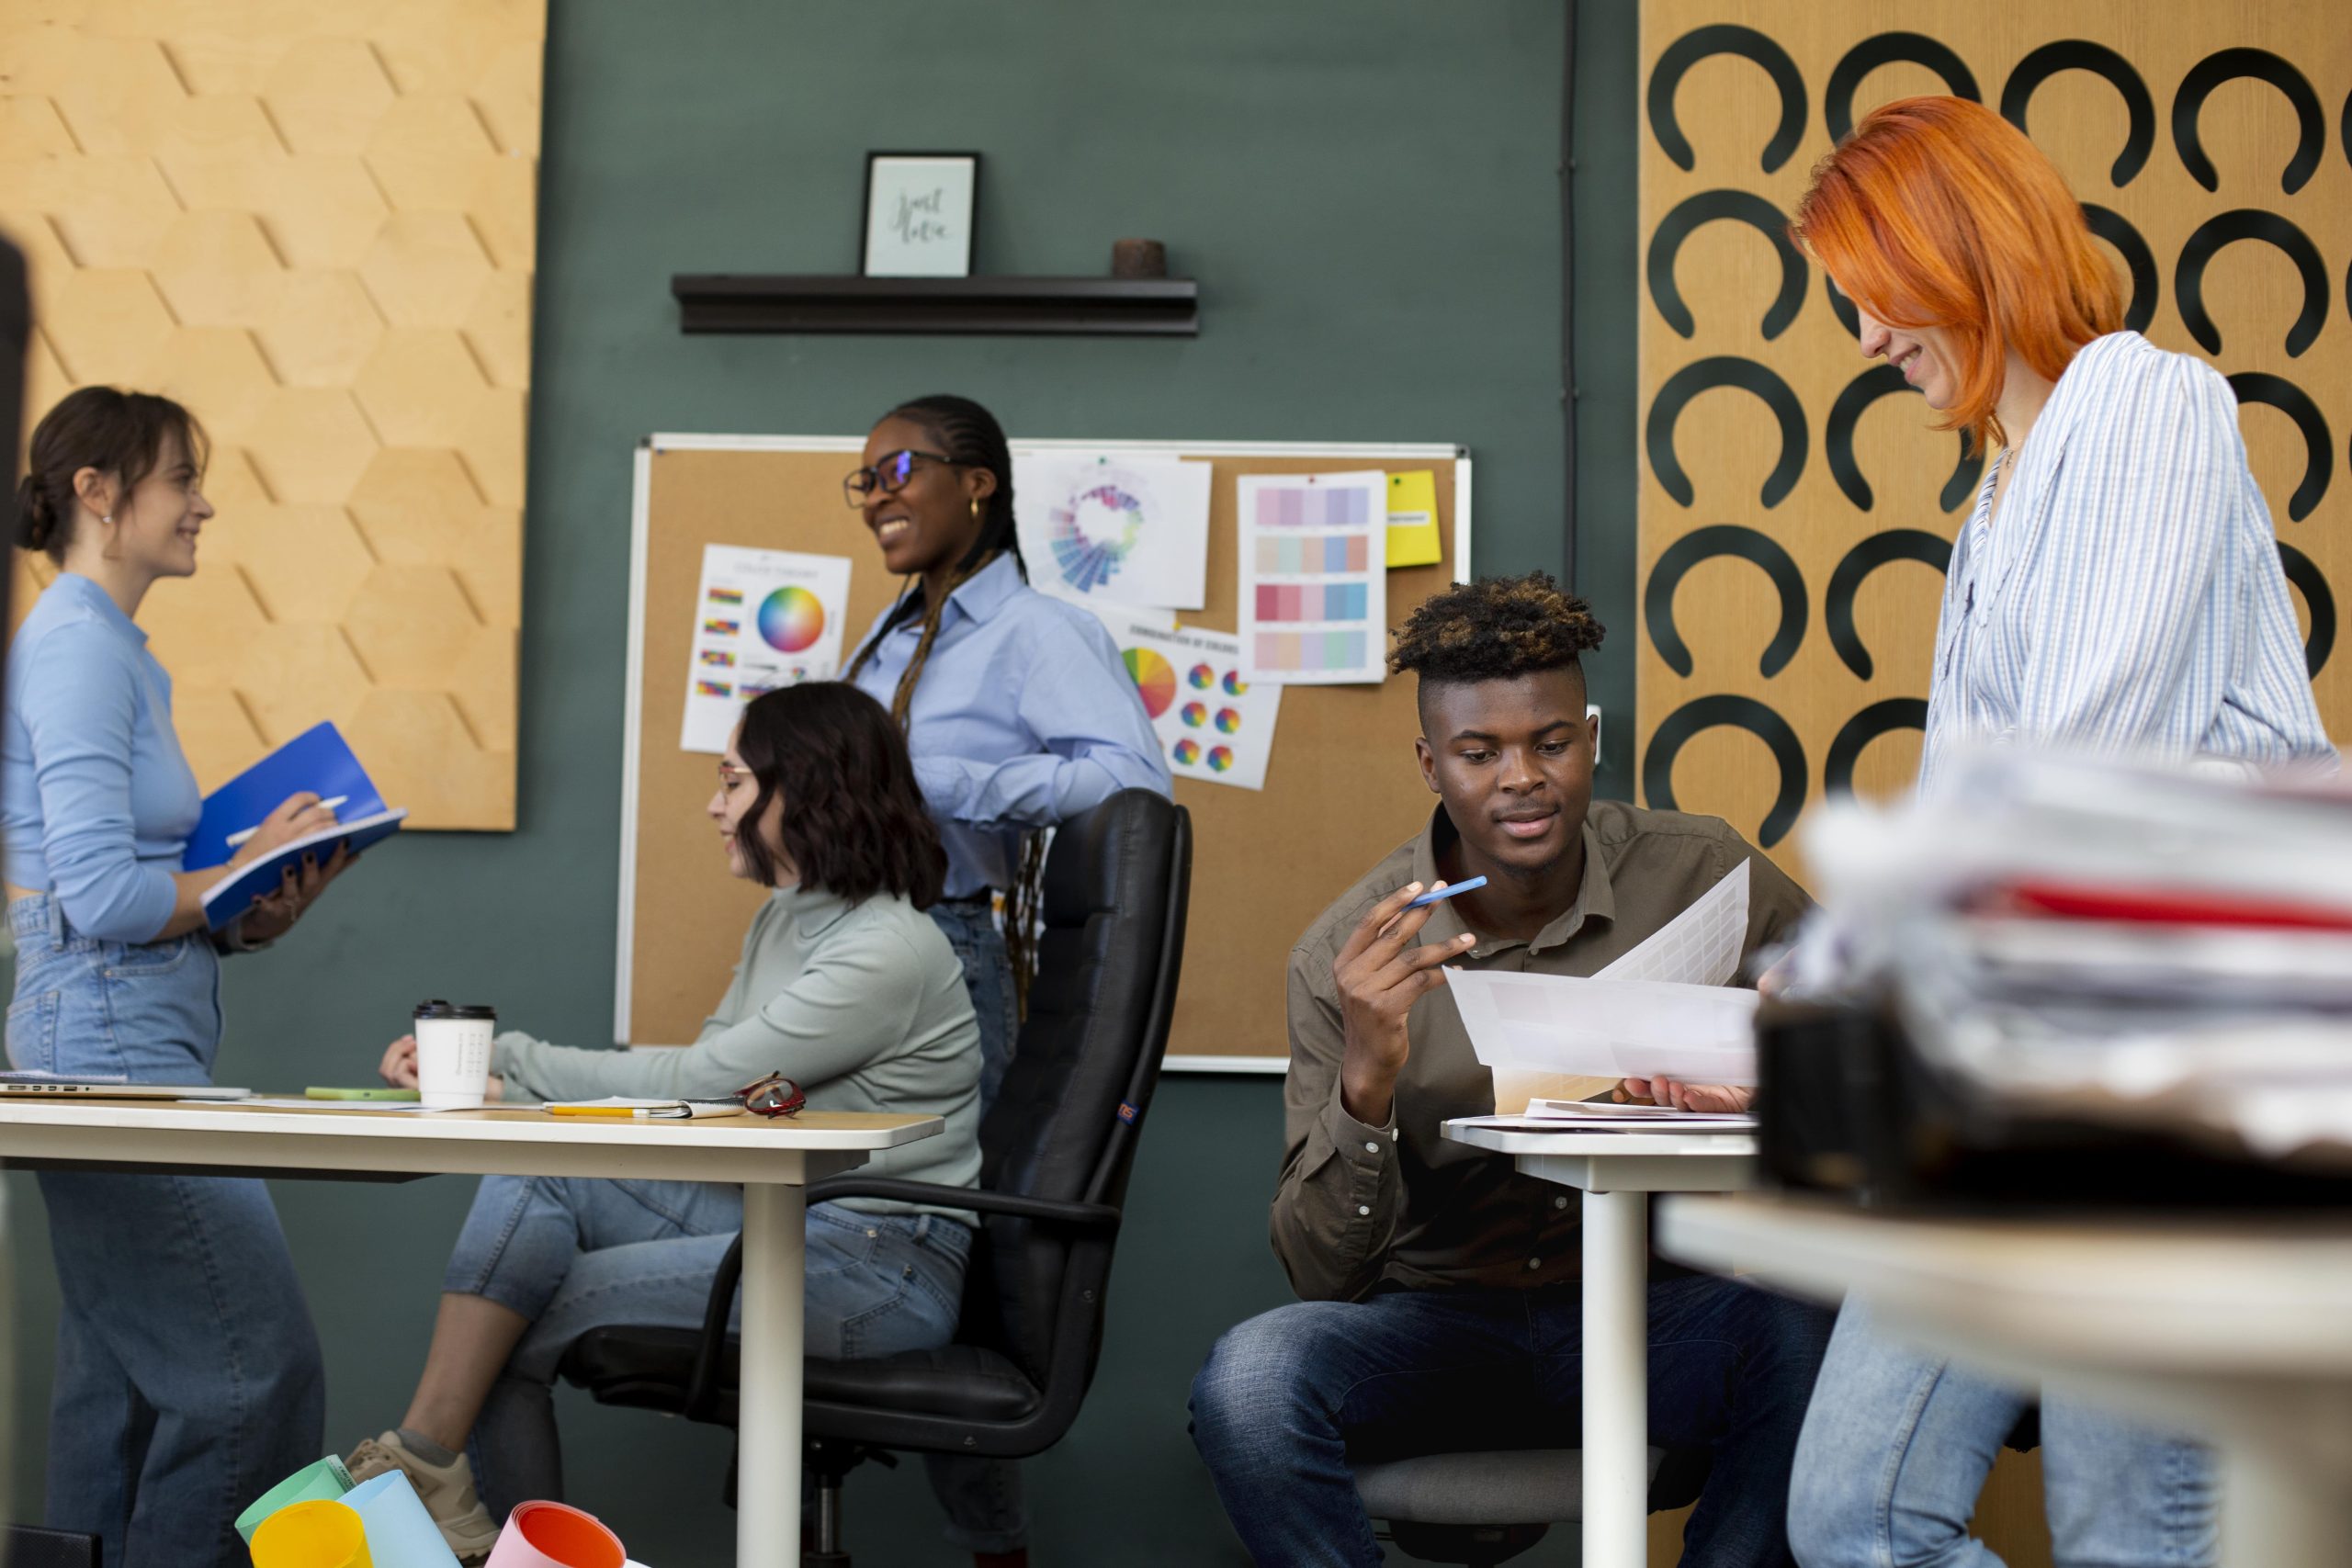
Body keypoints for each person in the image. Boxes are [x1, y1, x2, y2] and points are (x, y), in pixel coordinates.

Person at [1770, 96, 2335, 1568]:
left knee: (2130, 1531)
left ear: (1961, 244)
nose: (1868, 340)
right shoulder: (1997, 493)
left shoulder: (2146, 404)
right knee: (1854, 1512)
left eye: (1872, 293)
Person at [1188, 573, 1831, 1568]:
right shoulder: (1344, 955)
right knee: (1251, 1381)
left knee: (1813, 1331)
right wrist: (1366, 1073)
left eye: (1551, 742)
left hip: (1656, 1313)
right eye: (1478, 753)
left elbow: (1865, 1040)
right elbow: (1319, 1271)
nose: (1521, 778)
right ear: (1430, 764)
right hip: (1438, 1326)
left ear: (1590, 736)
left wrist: (1775, 1069)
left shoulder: (1704, 874)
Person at [345, 682, 982, 1561]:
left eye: (732, 781)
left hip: (880, 1266)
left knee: (506, 1321)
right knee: (537, 1177)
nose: (715, 806)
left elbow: (706, 1080)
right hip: (789, 1221)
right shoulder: (783, 921)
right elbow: (706, 1096)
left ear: (804, 787)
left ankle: (434, 1479)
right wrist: (505, 1088)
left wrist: (513, 1062)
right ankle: (431, 1470)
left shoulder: (887, 949)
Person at [4, 387, 353, 1568]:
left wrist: (251, 905)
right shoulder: (76, 650)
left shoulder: (108, 649)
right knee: (255, 1373)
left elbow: (133, 886)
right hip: (102, 1028)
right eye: (180, 479)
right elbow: (98, 899)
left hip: (119, 1019)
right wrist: (240, 865)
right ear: (99, 495)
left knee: (124, 1385)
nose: (203, 505)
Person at [842, 394, 1170, 1114]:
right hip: (848, 935)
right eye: (865, 481)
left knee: (918, 1208)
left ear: (976, 482)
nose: (877, 497)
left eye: (896, 468)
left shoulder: (1039, 632)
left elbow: (1136, 780)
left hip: (942, 941)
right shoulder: (886, 637)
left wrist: (932, 783)